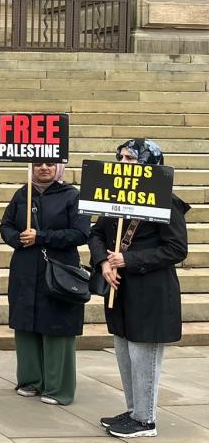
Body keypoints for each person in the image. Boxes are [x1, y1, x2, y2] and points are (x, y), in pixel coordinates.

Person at [89, 139, 188, 438]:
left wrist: (128, 259)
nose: (123, 164)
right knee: (124, 352)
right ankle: (135, 410)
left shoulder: (166, 201)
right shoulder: (114, 196)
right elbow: (95, 233)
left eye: (130, 159)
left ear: (148, 164)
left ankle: (146, 420)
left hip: (152, 293)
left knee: (143, 356)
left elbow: (176, 249)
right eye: (121, 158)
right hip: (121, 290)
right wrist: (103, 263)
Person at [0, 162, 90, 406]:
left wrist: (41, 237)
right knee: (26, 324)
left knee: (57, 326)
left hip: (59, 270)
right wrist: (17, 239)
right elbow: (5, 225)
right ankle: (31, 380)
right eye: (38, 164)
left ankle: (57, 387)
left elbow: (81, 233)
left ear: (58, 168)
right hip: (26, 269)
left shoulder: (72, 196)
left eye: (50, 164)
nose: (44, 168)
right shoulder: (22, 194)